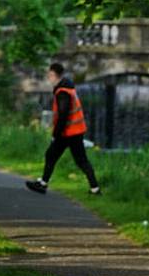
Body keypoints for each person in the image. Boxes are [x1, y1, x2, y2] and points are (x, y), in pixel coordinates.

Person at [26, 63, 100, 195]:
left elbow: (63, 114)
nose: (49, 78)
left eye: (50, 75)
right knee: (80, 160)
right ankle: (95, 189)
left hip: (67, 132)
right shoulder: (68, 88)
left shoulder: (62, 92)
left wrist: (56, 134)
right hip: (75, 131)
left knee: (51, 155)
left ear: (54, 75)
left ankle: (43, 184)